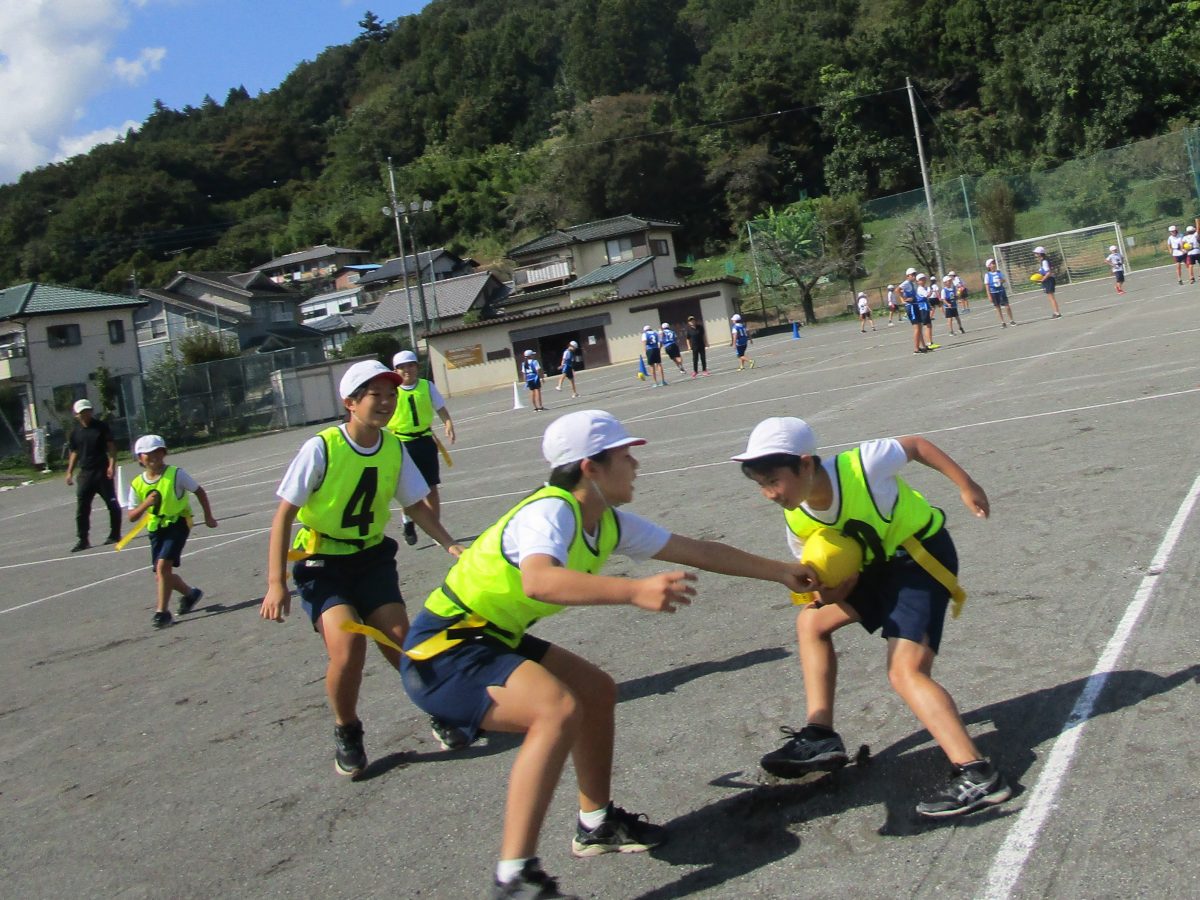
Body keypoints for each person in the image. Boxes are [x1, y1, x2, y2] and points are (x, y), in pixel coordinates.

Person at [397, 410, 812, 898]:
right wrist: (633, 590)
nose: (635, 464)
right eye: (624, 455)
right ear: (590, 467)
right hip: (443, 650)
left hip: (488, 637)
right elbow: (539, 580)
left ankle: (596, 824)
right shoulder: (549, 511)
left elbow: (698, 550)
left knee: (594, 691)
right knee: (556, 709)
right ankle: (515, 879)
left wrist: (781, 571)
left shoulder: (606, 522)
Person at [732, 416, 1012, 819]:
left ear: (806, 464)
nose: (768, 494)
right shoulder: (797, 517)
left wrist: (966, 485)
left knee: (905, 671)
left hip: (919, 560)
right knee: (811, 621)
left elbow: (916, 445)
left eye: (773, 480)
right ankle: (820, 735)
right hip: (875, 568)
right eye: (760, 484)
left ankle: (977, 772)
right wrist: (830, 592)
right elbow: (826, 580)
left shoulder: (861, 465)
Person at [260, 360, 466, 777]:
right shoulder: (322, 447)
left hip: (371, 559)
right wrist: (275, 582)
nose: (386, 402)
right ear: (350, 402)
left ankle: (438, 709)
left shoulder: (393, 447)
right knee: (349, 646)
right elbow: (284, 515)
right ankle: (347, 729)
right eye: (376, 395)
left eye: (391, 395)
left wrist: (449, 543)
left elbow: (414, 505)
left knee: (402, 640)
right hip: (322, 563)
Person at [126, 434, 218, 628]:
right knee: (162, 575)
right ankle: (190, 594)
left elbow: (199, 491)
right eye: (148, 453)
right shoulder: (137, 483)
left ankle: (162, 613)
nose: (154, 456)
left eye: (158, 451)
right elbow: (132, 516)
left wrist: (208, 516)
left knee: (162, 568)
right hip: (156, 528)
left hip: (178, 524)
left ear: (164, 453)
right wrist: (146, 503)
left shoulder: (176, 474)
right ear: (140, 458)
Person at [388, 350, 457, 547]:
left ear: (417, 367)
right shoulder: (392, 391)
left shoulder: (427, 386)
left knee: (431, 488)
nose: (407, 370)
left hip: (425, 441)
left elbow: (441, 409)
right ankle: (407, 521)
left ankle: (435, 529)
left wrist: (448, 423)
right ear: (395, 371)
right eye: (402, 367)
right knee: (408, 489)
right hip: (402, 443)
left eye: (411, 365)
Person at [64, 398, 122, 552]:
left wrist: (111, 465)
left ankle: (115, 534)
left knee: (112, 503)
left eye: (88, 411)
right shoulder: (75, 432)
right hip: (85, 474)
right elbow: (74, 452)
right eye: (82, 412)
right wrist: (69, 472)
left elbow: (111, 447)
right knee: (82, 508)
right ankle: (83, 539)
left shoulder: (101, 427)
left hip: (102, 471)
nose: (86, 414)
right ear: (76, 415)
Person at [898, 269, 927, 354]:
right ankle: (916, 348)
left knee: (919, 327)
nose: (914, 276)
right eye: (912, 274)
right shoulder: (906, 283)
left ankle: (923, 346)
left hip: (915, 305)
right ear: (908, 276)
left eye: (915, 274)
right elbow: (897, 290)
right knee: (916, 328)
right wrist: (904, 299)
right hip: (911, 307)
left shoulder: (912, 284)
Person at [984, 258, 1016, 327]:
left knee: (1007, 306)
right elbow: (987, 285)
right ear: (989, 266)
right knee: (998, 307)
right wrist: (989, 295)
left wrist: (1001, 280)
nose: (994, 264)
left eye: (994, 263)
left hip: (1001, 291)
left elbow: (1004, 280)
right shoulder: (987, 275)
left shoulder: (999, 272)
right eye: (992, 263)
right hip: (993, 292)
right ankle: (1002, 322)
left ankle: (1011, 320)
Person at [1032, 246, 1062, 318]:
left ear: (1040, 254)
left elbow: (1048, 272)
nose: (1035, 254)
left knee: (1051, 297)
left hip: (1048, 280)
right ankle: (1056, 312)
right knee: (1050, 297)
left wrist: (1042, 279)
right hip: (1047, 280)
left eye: (1036, 253)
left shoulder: (1044, 261)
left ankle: (1057, 313)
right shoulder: (1043, 261)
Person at [915, 274, 939, 350]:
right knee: (927, 325)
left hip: (925, 307)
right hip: (922, 308)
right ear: (918, 281)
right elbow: (927, 295)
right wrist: (931, 290)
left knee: (928, 325)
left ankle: (929, 342)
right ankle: (929, 343)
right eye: (921, 279)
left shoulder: (924, 288)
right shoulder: (920, 289)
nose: (923, 280)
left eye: (924, 279)